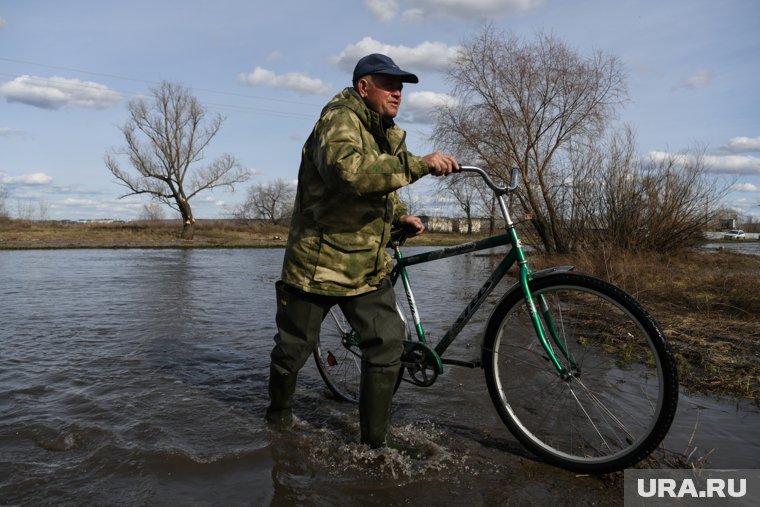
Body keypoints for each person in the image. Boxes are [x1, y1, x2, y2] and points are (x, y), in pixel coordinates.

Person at [265, 53, 458, 449]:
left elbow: (381, 187)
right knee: (292, 352)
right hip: (317, 265)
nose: (398, 92)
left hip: (367, 266)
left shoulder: (386, 132)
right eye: (388, 84)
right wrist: (420, 164)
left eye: (401, 86)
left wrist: (401, 215)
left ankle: (376, 445)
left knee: (387, 344)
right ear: (363, 87)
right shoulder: (338, 119)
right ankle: (278, 419)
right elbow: (347, 173)